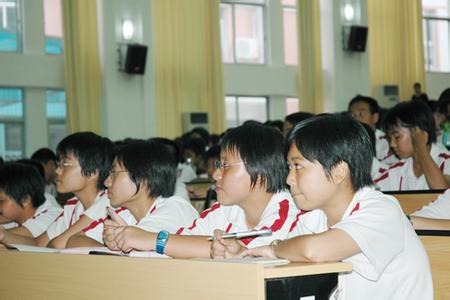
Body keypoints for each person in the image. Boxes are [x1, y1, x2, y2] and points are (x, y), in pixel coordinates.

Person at [236, 114, 432, 300]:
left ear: (339, 171)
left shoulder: (382, 211)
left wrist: (274, 249)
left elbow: (313, 249)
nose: (289, 179)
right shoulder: (314, 218)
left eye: (298, 167)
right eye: (289, 167)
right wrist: (240, 253)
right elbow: (288, 253)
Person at [102, 123, 299, 258]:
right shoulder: (225, 210)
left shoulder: (285, 214)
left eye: (224, 165)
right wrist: (130, 242)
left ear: (260, 169)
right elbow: (180, 243)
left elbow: (247, 255)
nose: (215, 175)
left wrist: (150, 239)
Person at [66, 141, 199, 247]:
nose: (106, 182)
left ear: (143, 177)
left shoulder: (174, 209)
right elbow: (74, 240)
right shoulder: (125, 213)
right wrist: (108, 248)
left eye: (114, 173)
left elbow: (138, 245)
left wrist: (119, 242)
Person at [4, 132, 113, 248]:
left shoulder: (108, 203)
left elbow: (56, 244)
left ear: (93, 172)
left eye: (65, 164)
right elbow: (38, 244)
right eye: (59, 164)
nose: (57, 171)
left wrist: (52, 244)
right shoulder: (73, 205)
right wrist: (3, 236)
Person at [375, 100, 450, 191]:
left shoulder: (446, 162)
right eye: (389, 138)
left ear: (419, 133)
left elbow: (442, 193)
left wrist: (421, 149)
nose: (392, 144)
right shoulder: (397, 170)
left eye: (397, 136)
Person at [0, 163, 62, 245]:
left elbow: (26, 234)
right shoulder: (11, 217)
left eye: (0, 199)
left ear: (25, 200)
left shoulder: (53, 216)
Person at [348, 95, 393, 162]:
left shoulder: (388, 141)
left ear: (375, 117)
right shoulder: (348, 141)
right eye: (352, 115)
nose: (356, 119)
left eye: (361, 113)